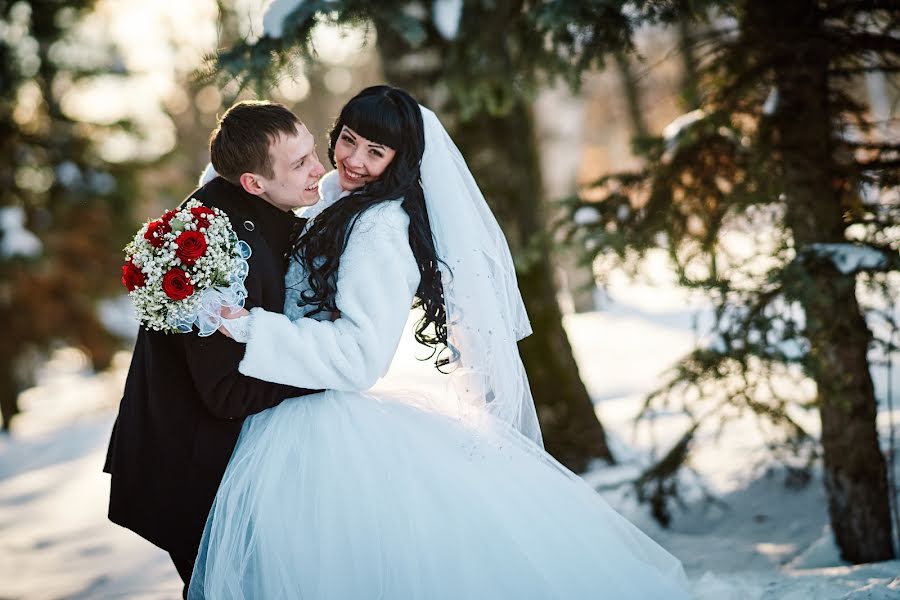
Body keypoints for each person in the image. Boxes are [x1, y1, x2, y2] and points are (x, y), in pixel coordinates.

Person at [191, 86, 693, 599]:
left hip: (319, 421)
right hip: (289, 410)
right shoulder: (338, 198)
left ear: (400, 160)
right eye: (348, 140)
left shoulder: (380, 227)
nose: (354, 160)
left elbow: (362, 357)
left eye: (376, 152)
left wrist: (255, 328)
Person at [103, 101, 325, 597]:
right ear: (253, 183)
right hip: (189, 471)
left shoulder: (258, 209)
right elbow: (225, 394)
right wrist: (326, 369)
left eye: (312, 151)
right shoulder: (206, 246)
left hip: (226, 461)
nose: (320, 169)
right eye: (300, 164)